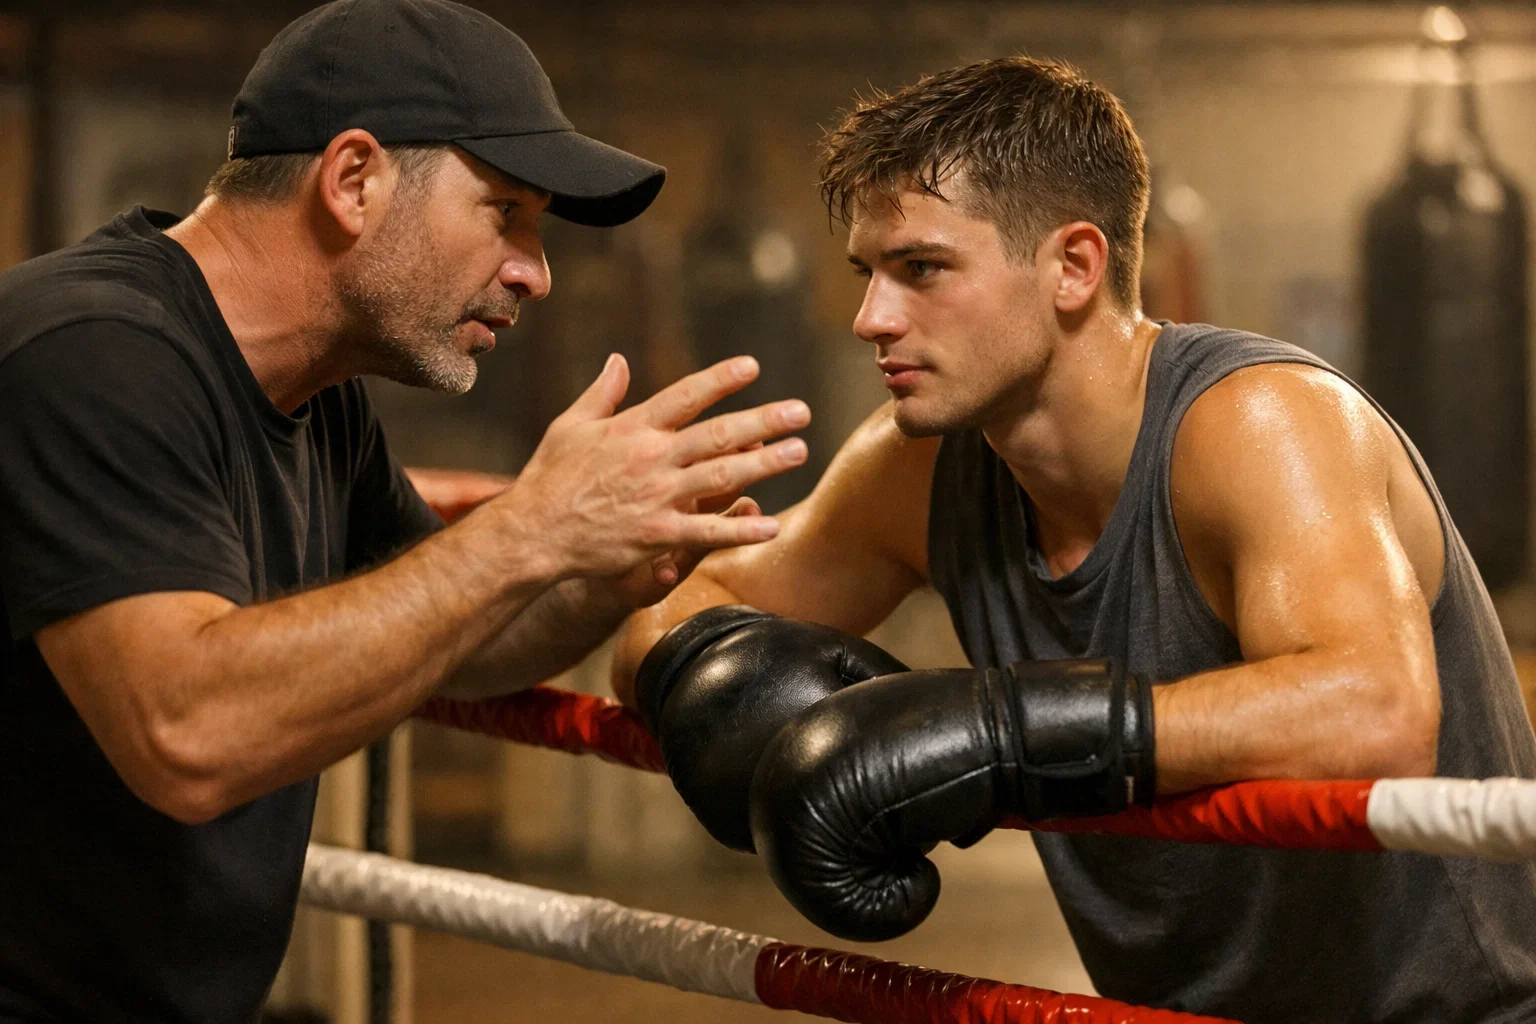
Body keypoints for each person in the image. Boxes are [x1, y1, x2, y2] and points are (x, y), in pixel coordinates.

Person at [613, 57, 1536, 1022]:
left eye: (922, 269)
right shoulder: (924, 467)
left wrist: (997, 734)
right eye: (868, 273)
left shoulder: (1258, 425)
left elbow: (1376, 715)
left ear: (1074, 266)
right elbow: (680, 614)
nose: (870, 319)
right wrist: (718, 691)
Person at [0, 1, 812, 1020]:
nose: (535, 270)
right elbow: (186, 731)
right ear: (353, 179)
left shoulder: (318, 395)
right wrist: (532, 526)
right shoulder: (91, 355)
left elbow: (459, 637)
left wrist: (607, 569)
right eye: (505, 212)